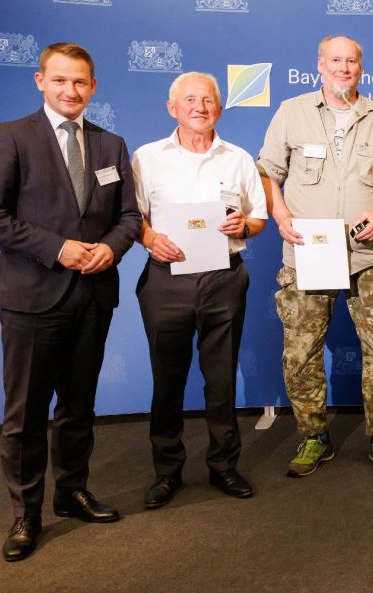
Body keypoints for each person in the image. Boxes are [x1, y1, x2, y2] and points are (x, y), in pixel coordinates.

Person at [0, 42, 141, 561]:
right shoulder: (12, 136)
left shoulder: (111, 145)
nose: (72, 91)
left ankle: (72, 491)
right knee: (24, 415)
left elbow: (129, 217)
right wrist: (57, 248)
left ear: (93, 87)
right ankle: (26, 513)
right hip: (32, 297)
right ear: (40, 80)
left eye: (81, 82)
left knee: (78, 407)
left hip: (93, 296)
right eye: (61, 81)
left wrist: (109, 249)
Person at [258, 35, 373, 477]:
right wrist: (281, 215)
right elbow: (267, 171)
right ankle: (313, 438)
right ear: (320, 65)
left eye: (351, 61)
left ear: (360, 68)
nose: (344, 68)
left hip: (370, 255)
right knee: (301, 353)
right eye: (335, 61)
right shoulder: (292, 112)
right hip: (308, 252)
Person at [132, 72, 268, 508]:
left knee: (222, 378)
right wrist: (150, 238)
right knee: (166, 379)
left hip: (224, 278)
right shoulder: (146, 158)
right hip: (165, 281)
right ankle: (167, 471)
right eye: (189, 100)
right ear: (172, 108)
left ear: (219, 108)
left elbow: (259, 219)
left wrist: (243, 225)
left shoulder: (239, 158)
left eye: (207, 100)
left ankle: (224, 466)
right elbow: (130, 218)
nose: (199, 107)